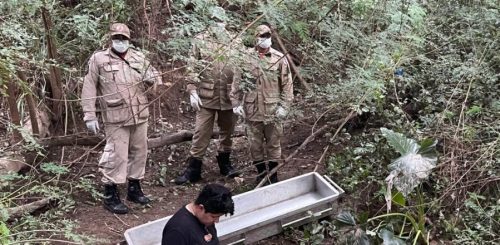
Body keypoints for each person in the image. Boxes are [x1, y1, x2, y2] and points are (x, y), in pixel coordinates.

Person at [81, 23, 162, 214]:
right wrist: (89, 114)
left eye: (124, 38)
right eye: (117, 38)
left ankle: (134, 188)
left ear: (129, 39)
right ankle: (110, 194)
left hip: (139, 114)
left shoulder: (138, 57)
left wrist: (153, 80)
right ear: (111, 39)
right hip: (115, 116)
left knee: (139, 152)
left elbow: (155, 78)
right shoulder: (98, 59)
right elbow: (89, 86)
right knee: (116, 155)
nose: (120, 41)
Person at [175, 19, 242, 185]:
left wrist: (240, 98)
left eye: (222, 19)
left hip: (229, 97)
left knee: (228, 131)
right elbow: (192, 67)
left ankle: (225, 164)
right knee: (201, 132)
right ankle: (193, 169)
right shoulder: (200, 40)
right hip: (206, 97)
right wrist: (192, 91)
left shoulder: (236, 40)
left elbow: (243, 70)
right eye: (215, 19)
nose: (219, 22)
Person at [230, 24, 293, 185]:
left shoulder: (279, 58)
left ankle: (273, 174)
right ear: (256, 38)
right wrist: (236, 103)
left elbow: (287, 85)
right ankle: (261, 173)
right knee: (254, 145)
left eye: (268, 36)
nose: (265, 39)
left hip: (273, 111)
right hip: (252, 111)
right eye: (262, 36)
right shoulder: (245, 58)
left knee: (274, 144)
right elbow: (237, 83)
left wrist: (284, 107)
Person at [162, 183, 234, 245]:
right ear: (200, 208)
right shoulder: (177, 231)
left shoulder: (205, 218)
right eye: (213, 217)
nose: (216, 221)